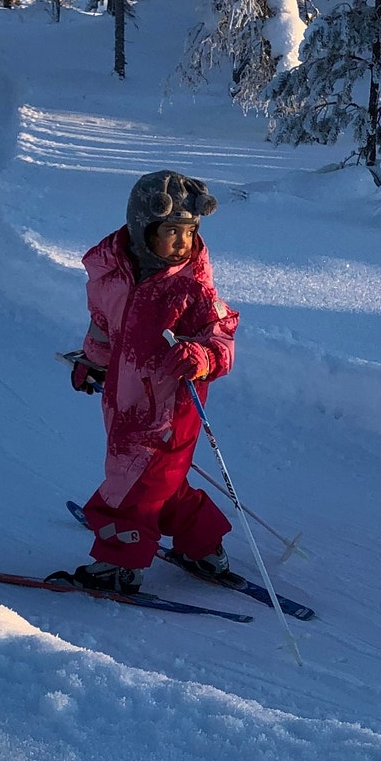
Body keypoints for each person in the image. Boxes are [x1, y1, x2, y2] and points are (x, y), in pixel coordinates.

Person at [69, 169, 240, 595]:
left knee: (130, 486)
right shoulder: (113, 276)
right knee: (161, 485)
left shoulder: (191, 288)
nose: (183, 243)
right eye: (171, 232)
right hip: (124, 402)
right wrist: (93, 362)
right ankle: (204, 547)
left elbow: (221, 337)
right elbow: (104, 327)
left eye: (189, 232)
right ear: (142, 228)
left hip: (171, 411)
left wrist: (201, 355)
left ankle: (119, 565)